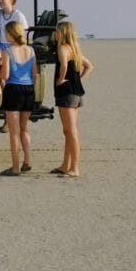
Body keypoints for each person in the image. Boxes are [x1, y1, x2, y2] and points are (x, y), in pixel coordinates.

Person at [50, 20, 93, 178]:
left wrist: (61, 79)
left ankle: (74, 168)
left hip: (66, 93)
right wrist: (78, 79)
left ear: (62, 33)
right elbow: (89, 66)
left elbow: (64, 66)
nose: (54, 34)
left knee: (71, 131)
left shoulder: (62, 48)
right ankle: (65, 165)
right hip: (77, 93)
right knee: (68, 131)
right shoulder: (74, 49)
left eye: (56, 31)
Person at [0, 20, 37, 176]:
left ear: (10, 33)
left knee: (13, 132)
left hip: (14, 89)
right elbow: (34, 74)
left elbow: (5, 75)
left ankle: (15, 167)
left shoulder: (7, 51)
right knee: (24, 129)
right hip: (28, 89)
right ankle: (27, 161)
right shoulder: (31, 50)